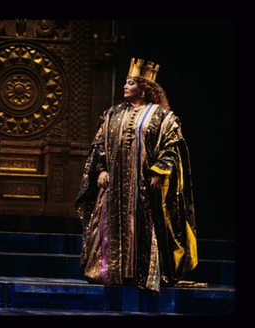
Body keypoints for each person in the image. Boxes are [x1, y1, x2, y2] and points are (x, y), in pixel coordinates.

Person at [75, 58, 197, 292]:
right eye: (125, 82)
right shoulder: (112, 114)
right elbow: (99, 144)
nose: (125, 86)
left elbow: (173, 146)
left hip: (144, 188)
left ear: (144, 88)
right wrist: (101, 169)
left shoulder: (162, 116)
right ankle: (108, 271)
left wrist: (160, 171)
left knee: (145, 226)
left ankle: (145, 274)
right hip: (114, 188)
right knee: (109, 225)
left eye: (130, 83)